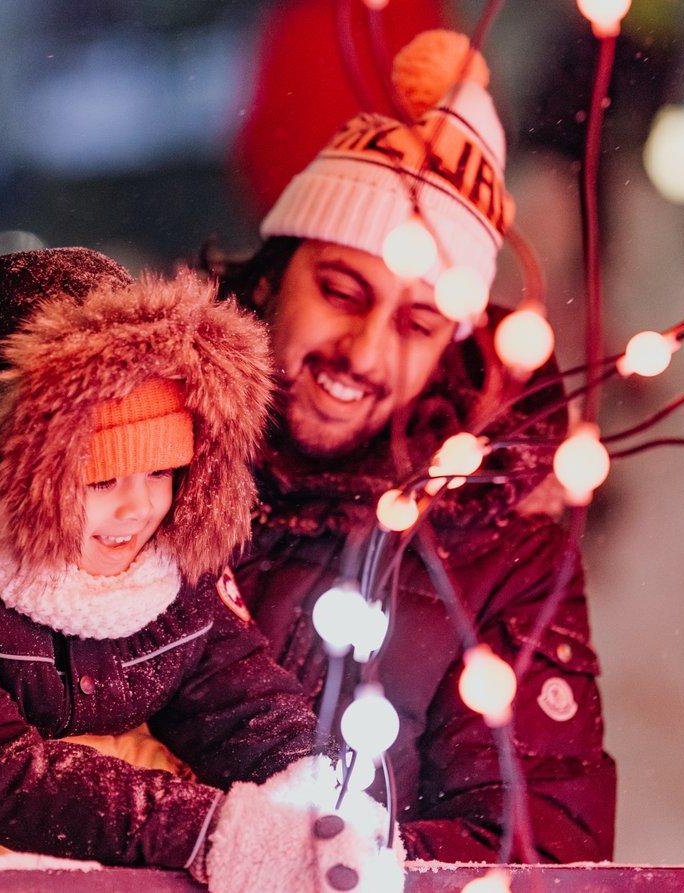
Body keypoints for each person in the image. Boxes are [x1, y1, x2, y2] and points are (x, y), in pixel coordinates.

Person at [0, 249, 396, 889]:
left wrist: (318, 796)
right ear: (21, 475)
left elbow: (240, 700)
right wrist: (213, 829)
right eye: (101, 478)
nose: (139, 508)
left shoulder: (161, 571)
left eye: (163, 471)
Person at [215, 29, 616, 862]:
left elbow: (536, 851)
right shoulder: (139, 440)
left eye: (417, 322)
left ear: (452, 345)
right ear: (271, 273)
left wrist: (299, 858)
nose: (363, 354)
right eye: (339, 290)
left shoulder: (498, 546)